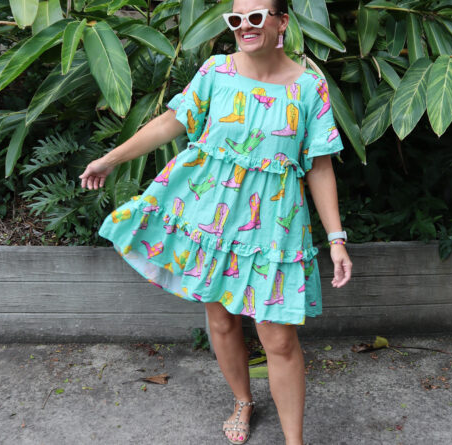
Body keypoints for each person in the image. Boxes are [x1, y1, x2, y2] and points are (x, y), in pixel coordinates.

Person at [79, 0, 352, 443]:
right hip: (212, 221)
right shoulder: (216, 72)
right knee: (222, 321)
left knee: (279, 340)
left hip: (273, 229)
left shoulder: (309, 87)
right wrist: (110, 159)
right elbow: (172, 121)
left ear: (282, 21)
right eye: (236, 18)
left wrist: (336, 238)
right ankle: (243, 401)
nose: (245, 25)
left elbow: (320, 165)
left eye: (257, 16)